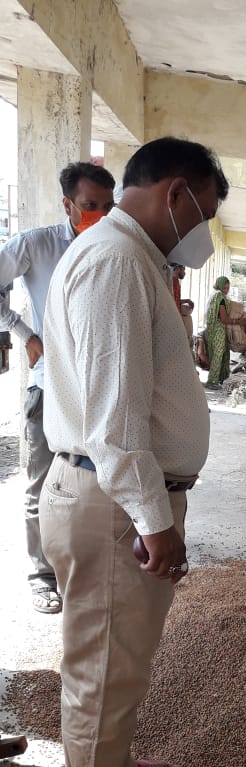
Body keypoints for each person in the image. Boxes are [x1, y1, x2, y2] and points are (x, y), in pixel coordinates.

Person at [40, 136, 228, 767]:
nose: (202, 229)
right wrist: (157, 520)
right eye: (204, 212)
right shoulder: (117, 261)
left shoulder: (130, 259)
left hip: (112, 495)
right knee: (102, 675)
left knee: (115, 667)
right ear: (174, 191)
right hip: (113, 501)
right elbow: (113, 422)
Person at [0, 161, 116, 614]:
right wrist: (23, 332)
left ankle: (86, 566)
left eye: (108, 206)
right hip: (50, 387)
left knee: (95, 480)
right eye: (90, 206)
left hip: (101, 388)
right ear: (67, 204)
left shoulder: (115, 245)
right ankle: (40, 574)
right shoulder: (37, 245)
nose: (100, 215)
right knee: (42, 483)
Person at [204, 275, 243, 388]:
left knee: (217, 354)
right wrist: (237, 321)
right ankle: (212, 381)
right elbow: (224, 319)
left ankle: (219, 378)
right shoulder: (220, 298)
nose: (226, 290)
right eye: (224, 288)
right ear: (220, 286)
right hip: (218, 331)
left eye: (228, 288)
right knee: (218, 355)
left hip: (212, 329)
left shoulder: (213, 295)